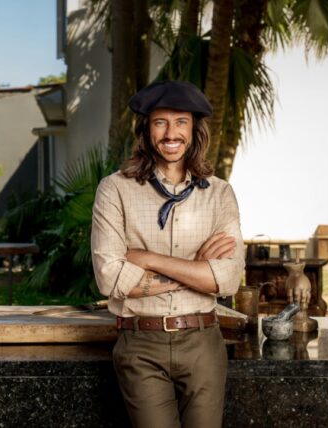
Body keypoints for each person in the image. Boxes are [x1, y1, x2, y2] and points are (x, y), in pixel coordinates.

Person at [91, 80, 245, 427]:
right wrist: (197, 272)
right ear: (146, 129)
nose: (170, 133)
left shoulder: (219, 194)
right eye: (161, 122)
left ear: (194, 130)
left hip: (203, 342)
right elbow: (110, 278)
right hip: (140, 345)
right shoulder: (115, 189)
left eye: (181, 122)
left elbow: (228, 279)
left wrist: (147, 259)